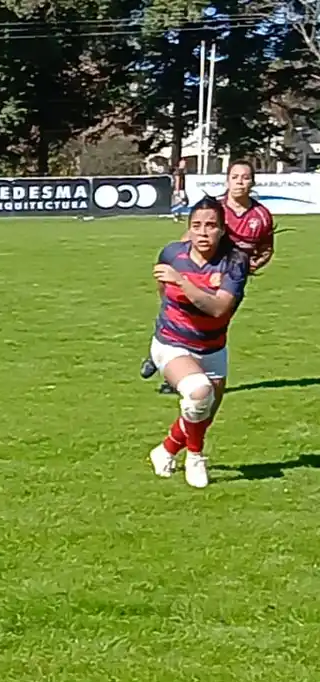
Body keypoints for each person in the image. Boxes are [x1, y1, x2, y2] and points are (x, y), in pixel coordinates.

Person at [146, 195, 250, 489]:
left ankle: (165, 450)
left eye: (211, 226)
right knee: (198, 391)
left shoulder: (234, 262)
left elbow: (218, 308)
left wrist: (183, 282)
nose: (203, 232)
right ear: (188, 228)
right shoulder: (171, 254)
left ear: (222, 229)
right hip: (172, 343)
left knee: (201, 415)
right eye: (196, 225)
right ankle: (195, 457)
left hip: (213, 349)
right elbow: (163, 293)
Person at [141, 160, 274, 387]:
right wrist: (184, 267)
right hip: (201, 272)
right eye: (235, 177)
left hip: (231, 279)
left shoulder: (261, 216)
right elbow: (188, 240)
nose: (240, 182)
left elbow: (266, 249)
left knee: (216, 322)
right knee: (185, 315)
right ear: (227, 181)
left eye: (245, 178)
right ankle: (166, 358)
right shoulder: (215, 209)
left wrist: (247, 268)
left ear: (253, 182)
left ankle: (190, 367)